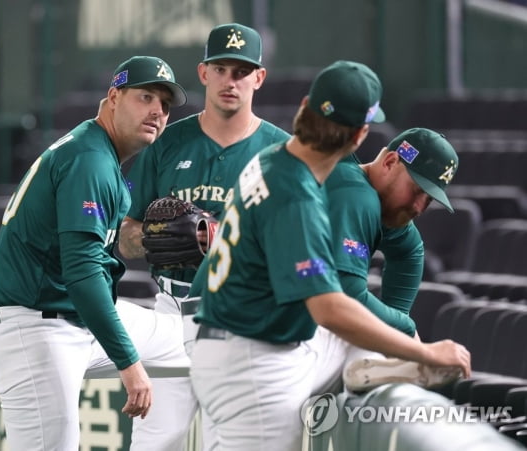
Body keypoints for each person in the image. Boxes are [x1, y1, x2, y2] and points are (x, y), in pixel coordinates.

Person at [189, 60, 471, 451]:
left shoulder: (271, 158)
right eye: (418, 191)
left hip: (222, 343)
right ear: (361, 136)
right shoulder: (303, 195)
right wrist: (420, 350)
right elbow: (331, 307)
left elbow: (404, 250)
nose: (422, 206)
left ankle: (368, 368)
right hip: (252, 363)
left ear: (305, 107)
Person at [0, 56, 191, 451]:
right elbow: (82, 273)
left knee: (189, 339)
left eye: (164, 104)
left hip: (69, 317)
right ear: (113, 97)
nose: (158, 111)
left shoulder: (99, 152)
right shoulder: (90, 160)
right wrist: (130, 365)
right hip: (35, 329)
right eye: (146, 97)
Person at [118, 23, 290, 450]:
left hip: (243, 319)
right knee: (155, 441)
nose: (230, 81)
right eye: (221, 69)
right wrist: (156, 237)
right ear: (203, 73)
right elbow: (124, 236)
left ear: (259, 78)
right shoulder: (166, 143)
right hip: (170, 312)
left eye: (241, 71)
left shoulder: (282, 155)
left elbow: (299, 248)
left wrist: (224, 241)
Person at [319, 126, 462, 392]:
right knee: (356, 331)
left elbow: (410, 250)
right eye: (416, 189)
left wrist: (396, 328)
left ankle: (374, 367)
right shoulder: (355, 194)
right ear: (389, 161)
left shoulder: (371, 197)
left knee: (368, 339)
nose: (419, 207)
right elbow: (345, 296)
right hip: (254, 325)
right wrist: (407, 332)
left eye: (428, 199)